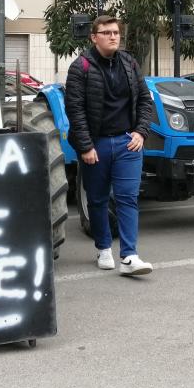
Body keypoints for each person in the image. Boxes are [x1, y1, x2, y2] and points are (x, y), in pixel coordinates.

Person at [65, 15, 155, 276]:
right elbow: (76, 110)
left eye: (116, 32)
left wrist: (140, 132)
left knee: (128, 198)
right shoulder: (80, 66)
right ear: (94, 37)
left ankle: (129, 256)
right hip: (97, 145)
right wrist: (85, 146)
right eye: (106, 32)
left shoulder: (129, 63)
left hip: (129, 144)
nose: (113, 36)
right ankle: (104, 247)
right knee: (98, 199)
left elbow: (145, 102)